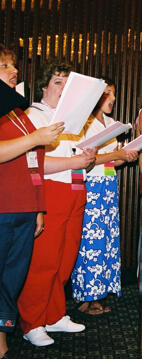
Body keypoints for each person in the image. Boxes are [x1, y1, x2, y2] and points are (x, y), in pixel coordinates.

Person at [17, 60, 97, 347]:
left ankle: (54, 314)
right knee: (43, 261)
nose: (63, 89)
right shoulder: (35, 116)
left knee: (64, 259)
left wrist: (87, 155)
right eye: (58, 82)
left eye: (68, 84)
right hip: (50, 190)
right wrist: (75, 160)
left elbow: (78, 158)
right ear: (44, 86)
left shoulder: (73, 119)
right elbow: (34, 162)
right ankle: (32, 322)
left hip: (75, 188)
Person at [0, 44, 64, 359]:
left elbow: (34, 163)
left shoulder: (18, 112)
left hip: (24, 207)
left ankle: (2, 338)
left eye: (13, 66)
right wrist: (36, 138)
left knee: (12, 279)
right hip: (2, 206)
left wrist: (39, 205)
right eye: (5, 66)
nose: (14, 71)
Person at [71, 79, 139, 315]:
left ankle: (98, 293)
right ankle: (85, 297)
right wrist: (115, 153)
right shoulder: (84, 123)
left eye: (113, 94)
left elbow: (112, 161)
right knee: (89, 241)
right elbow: (84, 160)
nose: (111, 99)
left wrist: (126, 155)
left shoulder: (111, 123)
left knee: (106, 241)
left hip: (109, 184)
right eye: (106, 94)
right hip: (91, 185)